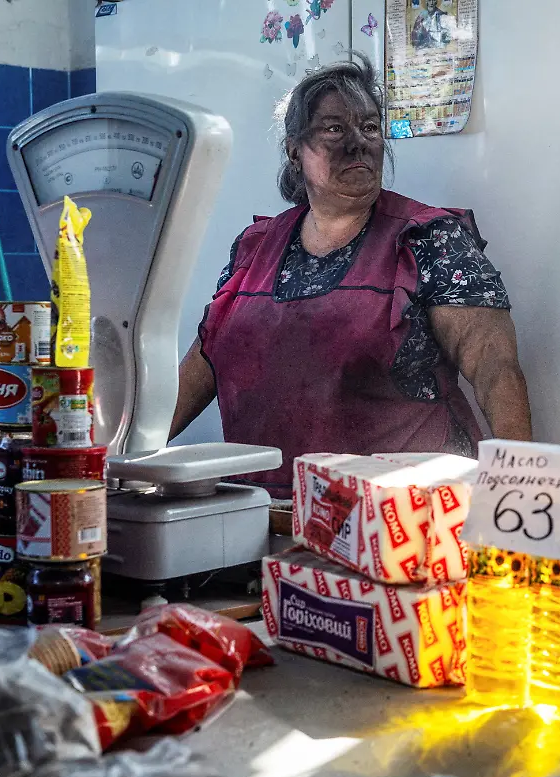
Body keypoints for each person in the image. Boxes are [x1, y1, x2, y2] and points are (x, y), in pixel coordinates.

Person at [171, 56, 530, 499]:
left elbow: (495, 368)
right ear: (294, 150)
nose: (358, 144)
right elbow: (203, 364)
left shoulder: (429, 238)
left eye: (370, 127)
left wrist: (520, 490)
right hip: (259, 511)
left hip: (400, 514)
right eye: (335, 129)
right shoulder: (255, 247)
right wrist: (118, 456)